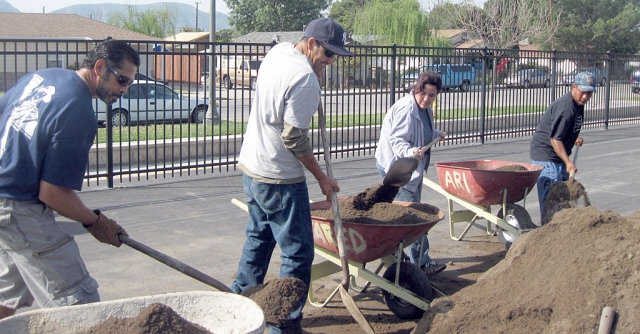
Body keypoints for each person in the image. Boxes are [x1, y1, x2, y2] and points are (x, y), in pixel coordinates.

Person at [0, 39, 137, 320]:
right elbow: (53, 194)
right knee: (79, 302)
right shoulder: (78, 110)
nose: (123, 89)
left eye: (129, 84)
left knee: (10, 289)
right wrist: (95, 221)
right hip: (15, 207)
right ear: (100, 67)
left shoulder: (43, 77)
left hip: (6, 204)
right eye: (121, 79)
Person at [230, 18, 350, 333]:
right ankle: (284, 325)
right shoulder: (305, 79)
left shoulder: (279, 51)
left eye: (335, 56)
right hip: (279, 178)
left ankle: (236, 307)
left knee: (259, 238)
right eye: (327, 53)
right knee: (298, 253)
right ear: (311, 43)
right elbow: (294, 138)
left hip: (252, 167)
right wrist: (323, 178)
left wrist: (315, 71)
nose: (330, 61)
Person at [375, 71, 447, 278]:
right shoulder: (406, 109)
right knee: (414, 215)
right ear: (416, 89)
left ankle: (401, 254)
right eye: (423, 93)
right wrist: (410, 152)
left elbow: (420, 131)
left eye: (432, 95)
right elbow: (397, 140)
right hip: (399, 167)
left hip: (412, 165)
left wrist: (435, 134)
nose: (426, 99)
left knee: (408, 212)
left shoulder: (425, 109)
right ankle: (421, 263)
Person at [530, 71, 595, 224]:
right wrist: (568, 162)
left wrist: (573, 137)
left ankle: (561, 229)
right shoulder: (566, 108)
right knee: (552, 198)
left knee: (564, 195)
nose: (585, 96)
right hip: (547, 155)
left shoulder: (578, 104)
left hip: (557, 154)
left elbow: (564, 130)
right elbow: (555, 139)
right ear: (573, 87)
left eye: (589, 93)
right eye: (583, 92)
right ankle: (549, 229)